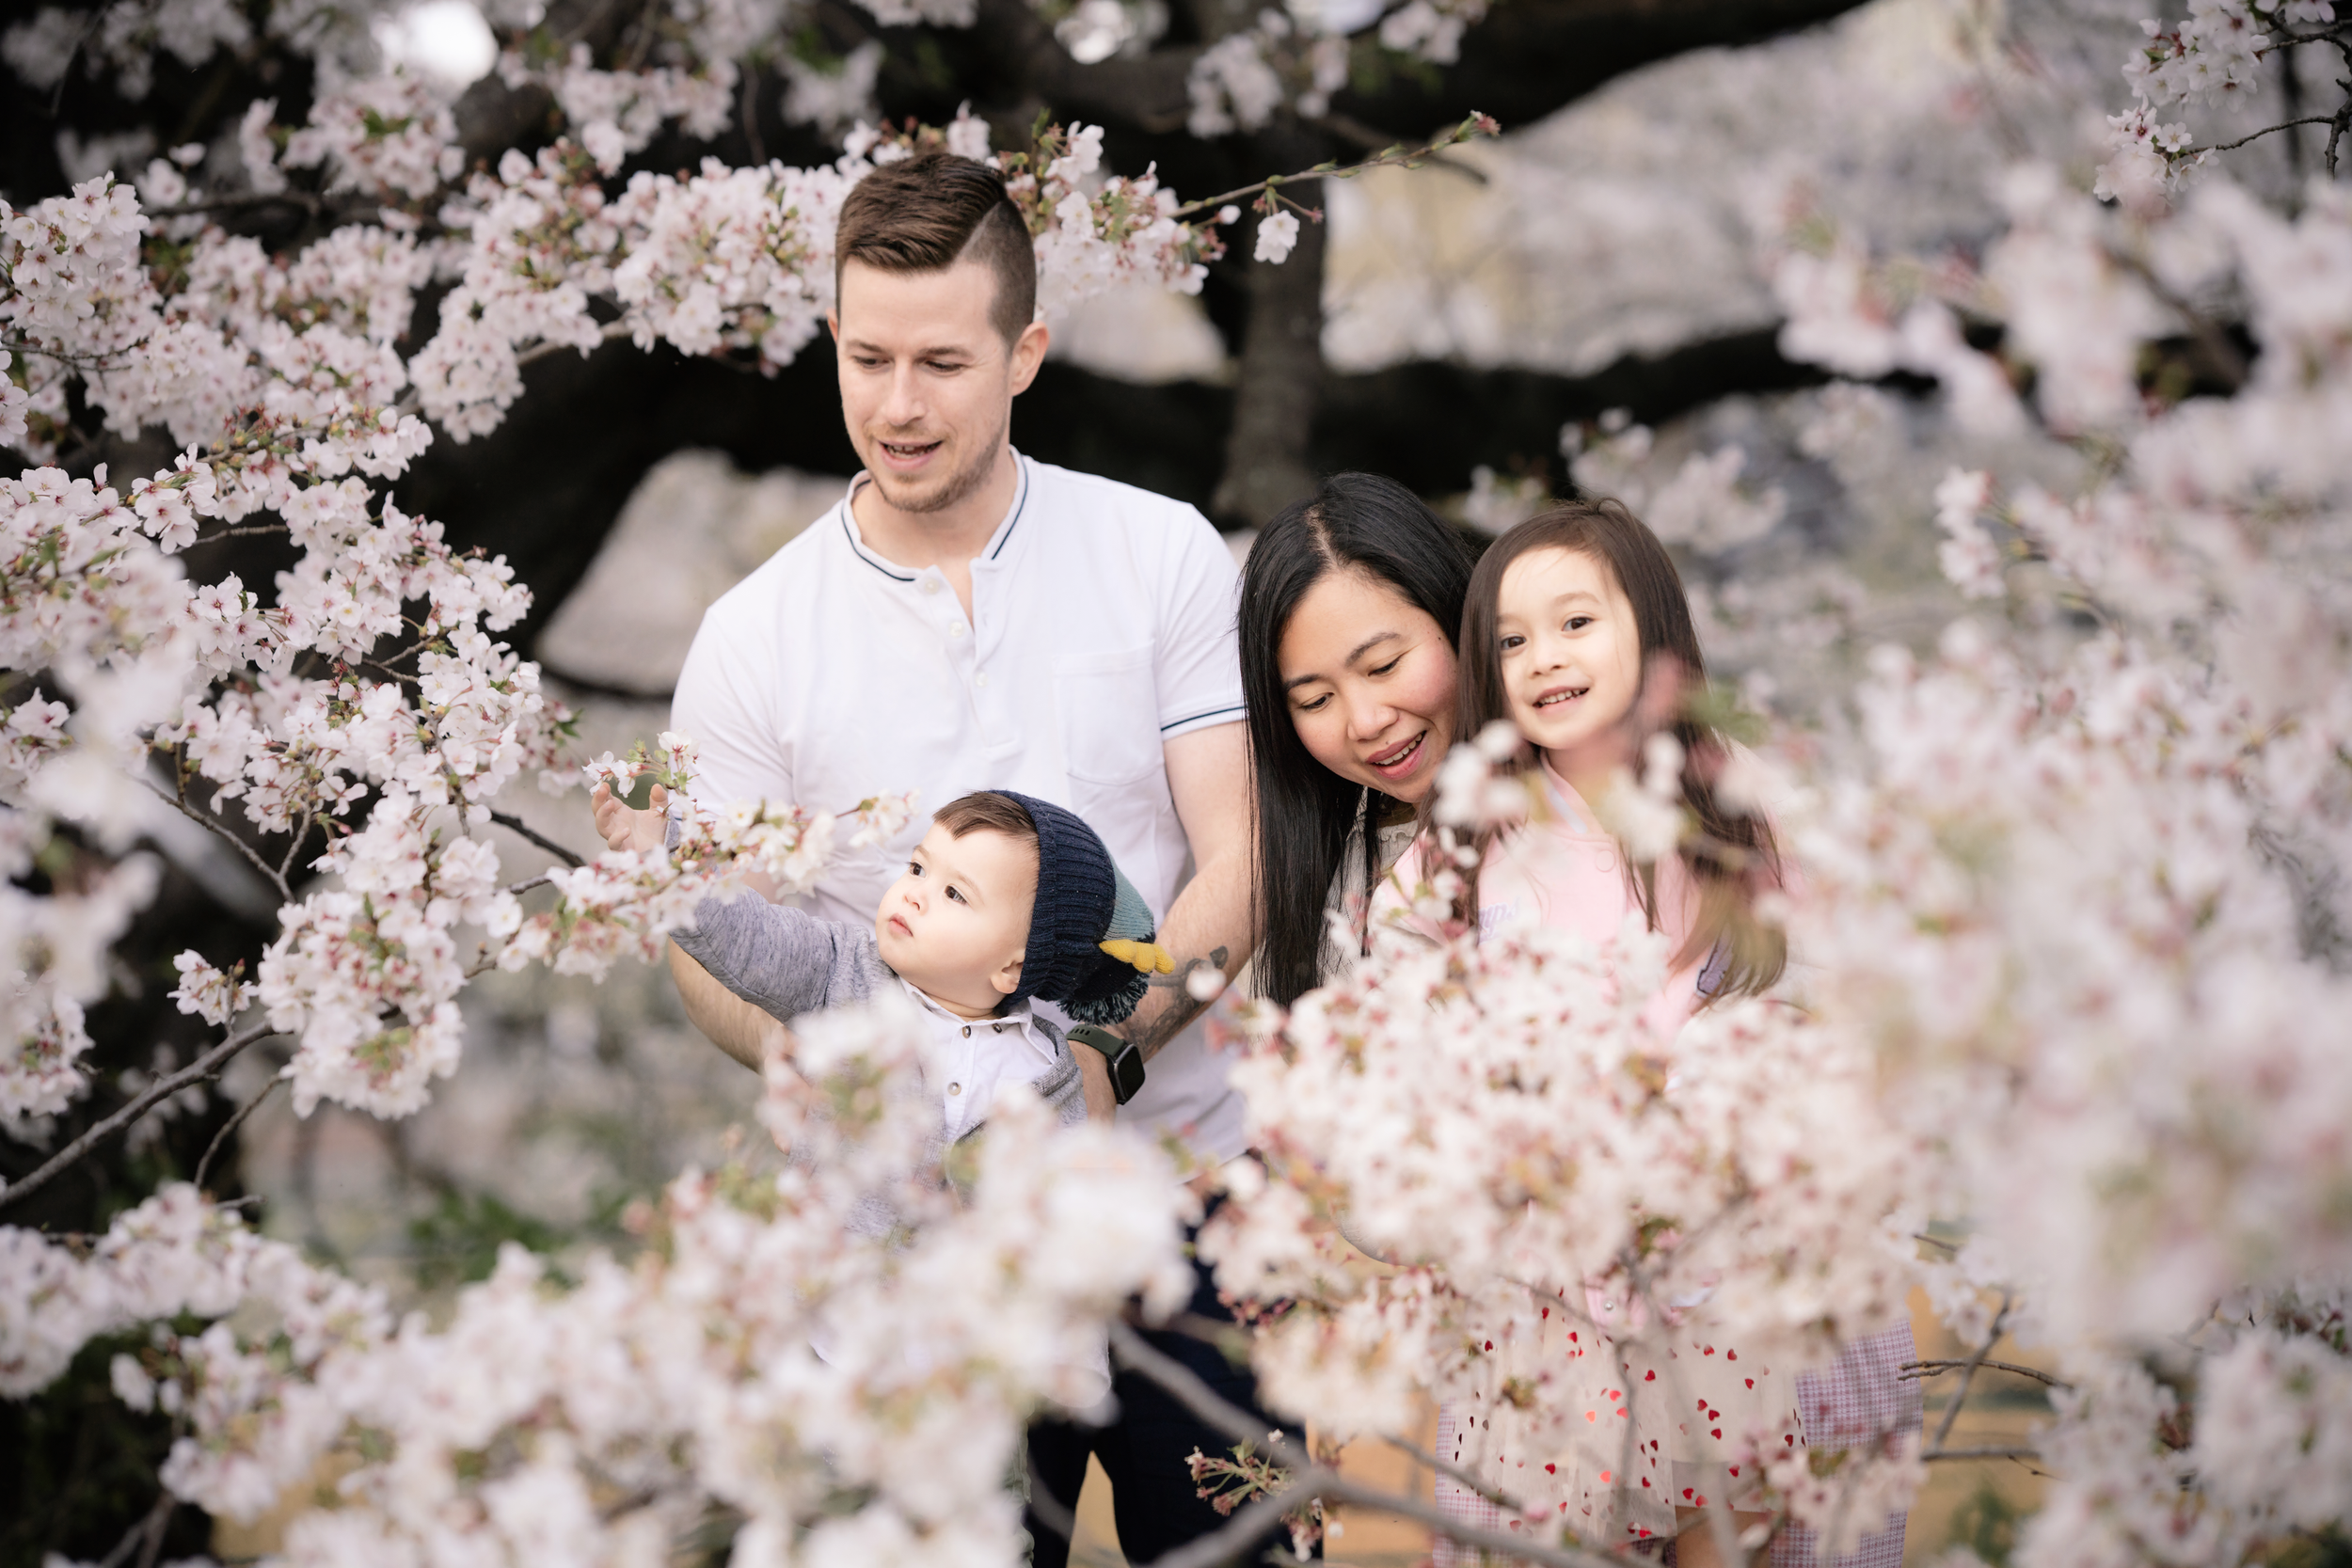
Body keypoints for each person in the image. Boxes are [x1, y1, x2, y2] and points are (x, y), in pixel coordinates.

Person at [644, 150, 1269, 1566]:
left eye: (941, 362)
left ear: (1025, 353)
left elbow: (1240, 855)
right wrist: (854, 1082)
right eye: (867, 358)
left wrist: (1095, 1063)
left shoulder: (1159, 552)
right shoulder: (753, 638)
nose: (898, 405)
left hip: (1189, 1198)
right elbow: (706, 941)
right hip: (913, 1268)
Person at [1380, 500, 1919, 1568]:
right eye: (1512, 640)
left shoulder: (1746, 805)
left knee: (1742, 1524)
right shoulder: (1464, 844)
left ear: (1654, 630)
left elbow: (1837, 995)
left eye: (1576, 622)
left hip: (1733, 1249)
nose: (1544, 657)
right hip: (1556, 1273)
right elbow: (1410, 1032)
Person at [592, 786, 1179, 1138]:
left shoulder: (1045, 1074)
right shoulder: (839, 972)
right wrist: (664, 860)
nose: (915, 893)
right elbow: (746, 933)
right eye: (918, 868)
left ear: (1010, 968)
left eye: (955, 894)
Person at [1238, 472, 1479, 1005]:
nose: (1366, 723)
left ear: (1457, 617)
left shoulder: (1596, 803)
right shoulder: (1326, 879)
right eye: (1316, 700)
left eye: (1384, 665)